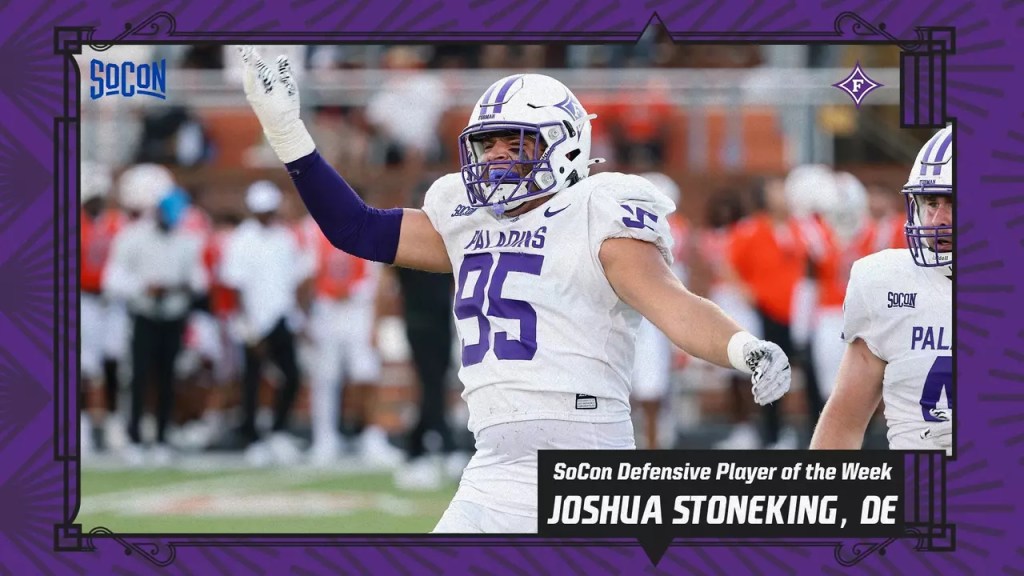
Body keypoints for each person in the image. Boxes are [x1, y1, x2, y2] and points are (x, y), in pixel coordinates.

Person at [237, 46, 791, 532]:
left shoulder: (595, 211)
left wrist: (743, 347)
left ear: (564, 146)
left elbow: (675, 305)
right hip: (494, 466)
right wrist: (288, 135)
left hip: (585, 461)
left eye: (516, 141)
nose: (497, 154)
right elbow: (356, 229)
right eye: (488, 143)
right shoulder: (466, 219)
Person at [810, 126, 953, 454]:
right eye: (931, 202)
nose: (937, 220)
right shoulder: (885, 282)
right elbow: (843, 422)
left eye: (953, 202)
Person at [102, 164, 208, 466]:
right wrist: (144, 287)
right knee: (138, 378)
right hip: (143, 315)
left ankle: (162, 438)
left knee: (167, 379)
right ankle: (134, 438)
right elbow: (113, 279)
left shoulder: (187, 240)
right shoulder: (132, 237)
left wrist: (177, 286)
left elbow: (199, 280)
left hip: (173, 315)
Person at [220, 180, 312, 466]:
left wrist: (298, 316)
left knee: (292, 376)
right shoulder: (241, 239)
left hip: (281, 316)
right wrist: (246, 326)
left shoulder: (284, 237)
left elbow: (294, 277)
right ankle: (252, 439)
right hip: (254, 321)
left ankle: (277, 432)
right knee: (251, 381)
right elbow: (235, 286)